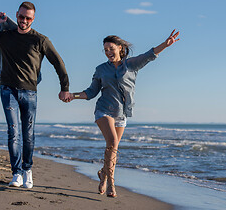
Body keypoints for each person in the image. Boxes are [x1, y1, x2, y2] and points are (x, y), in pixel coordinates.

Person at [68, 30, 180, 197]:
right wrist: (73, 95)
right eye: (105, 50)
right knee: (113, 142)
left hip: (121, 114)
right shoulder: (100, 69)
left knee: (112, 148)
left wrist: (166, 44)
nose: (108, 52)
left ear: (120, 48)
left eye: (111, 49)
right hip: (103, 110)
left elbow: (149, 55)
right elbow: (91, 92)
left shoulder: (131, 65)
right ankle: (111, 183)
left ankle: (103, 174)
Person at [0, 1, 71, 189]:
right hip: (7, 89)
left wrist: (64, 87)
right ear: (16, 15)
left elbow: (58, 63)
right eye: (21, 17)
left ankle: (27, 170)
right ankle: (16, 173)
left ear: (33, 19)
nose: (24, 20)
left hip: (30, 92)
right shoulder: (4, 36)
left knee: (28, 135)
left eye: (28, 18)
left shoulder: (40, 40)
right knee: (13, 133)